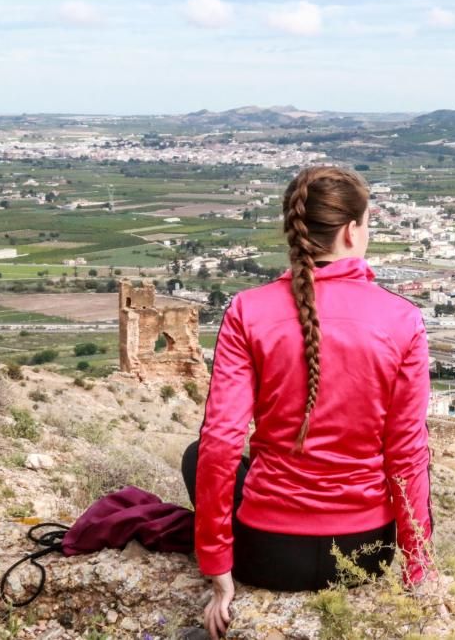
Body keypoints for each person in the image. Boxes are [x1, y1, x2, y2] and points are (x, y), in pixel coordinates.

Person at [182, 166, 434, 639]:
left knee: (197, 455)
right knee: (416, 453)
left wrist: (217, 566)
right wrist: (417, 569)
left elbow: (220, 443)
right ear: (352, 230)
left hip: (268, 555)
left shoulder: (247, 311)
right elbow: (406, 454)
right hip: (363, 557)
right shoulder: (402, 319)